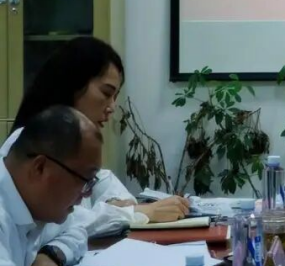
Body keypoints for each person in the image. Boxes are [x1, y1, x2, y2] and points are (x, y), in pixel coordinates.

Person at [1, 37, 190, 237]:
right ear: (72, 84)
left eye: (115, 97)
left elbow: (103, 182)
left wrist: (117, 205)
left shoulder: (73, 151)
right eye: (106, 93)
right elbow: (62, 224)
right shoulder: (29, 144)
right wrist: (134, 213)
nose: (112, 107)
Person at [1, 106, 100, 266]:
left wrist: (49, 256)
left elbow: (76, 230)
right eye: (85, 179)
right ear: (40, 168)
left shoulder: (37, 203)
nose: (88, 193)